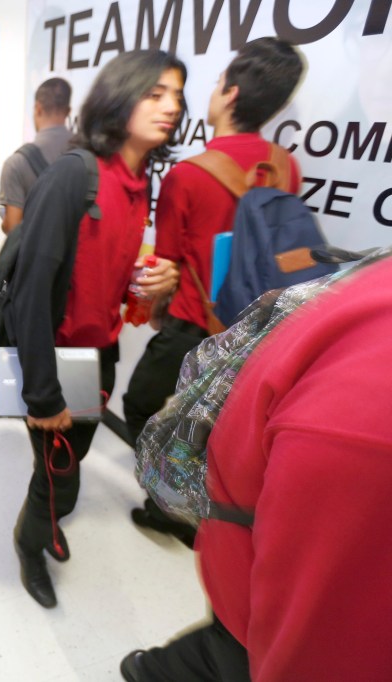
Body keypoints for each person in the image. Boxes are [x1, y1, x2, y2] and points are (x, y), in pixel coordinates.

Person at [121, 249, 392, 682]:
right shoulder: (371, 377)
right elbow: (315, 636)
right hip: (257, 596)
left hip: (242, 568)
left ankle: (150, 667)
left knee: (218, 649)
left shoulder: (367, 291)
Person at [9, 50, 184, 608]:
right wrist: (41, 394)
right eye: (156, 93)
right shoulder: (74, 173)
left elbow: (102, 273)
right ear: (120, 95)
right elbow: (31, 293)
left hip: (100, 353)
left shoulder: (139, 179)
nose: (171, 107)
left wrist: (151, 283)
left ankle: (48, 523)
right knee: (56, 471)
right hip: (56, 358)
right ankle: (29, 541)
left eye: (177, 96)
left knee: (69, 460)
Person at [122, 38, 305, 547]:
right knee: (219, 427)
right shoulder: (285, 168)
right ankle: (206, 509)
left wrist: (151, 311)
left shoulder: (187, 174)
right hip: (256, 331)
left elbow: (169, 263)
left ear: (229, 92)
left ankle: (168, 507)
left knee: (142, 405)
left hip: (192, 324)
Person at [0, 77, 72, 234]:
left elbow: (13, 229)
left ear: (38, 108)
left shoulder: (17, 163)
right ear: (68, 112)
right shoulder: (88, 152)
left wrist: (5, 223)